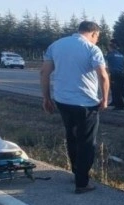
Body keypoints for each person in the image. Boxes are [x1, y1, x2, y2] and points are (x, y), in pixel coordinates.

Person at [40, 21, 109, 194]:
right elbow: (103, 75)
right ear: (93, 33)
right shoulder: (92, 49)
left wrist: (46, 97)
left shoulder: (56, 45)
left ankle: (76, 172)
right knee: (86, 142)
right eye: (97, 37)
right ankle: (82, 182)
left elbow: (44, 72)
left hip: (62, 101)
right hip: (86, 103)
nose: (97, 40)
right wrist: (105, 98)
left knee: (71, 136)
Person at [106, 39, 124, 110]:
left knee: (116, 90)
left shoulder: (110, 55)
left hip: (115, 75)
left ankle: (120, 106)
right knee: (120, 89)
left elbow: (103, 61)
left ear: (110, 47)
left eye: (108, 47)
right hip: (122, 74)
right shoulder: (120, 55)